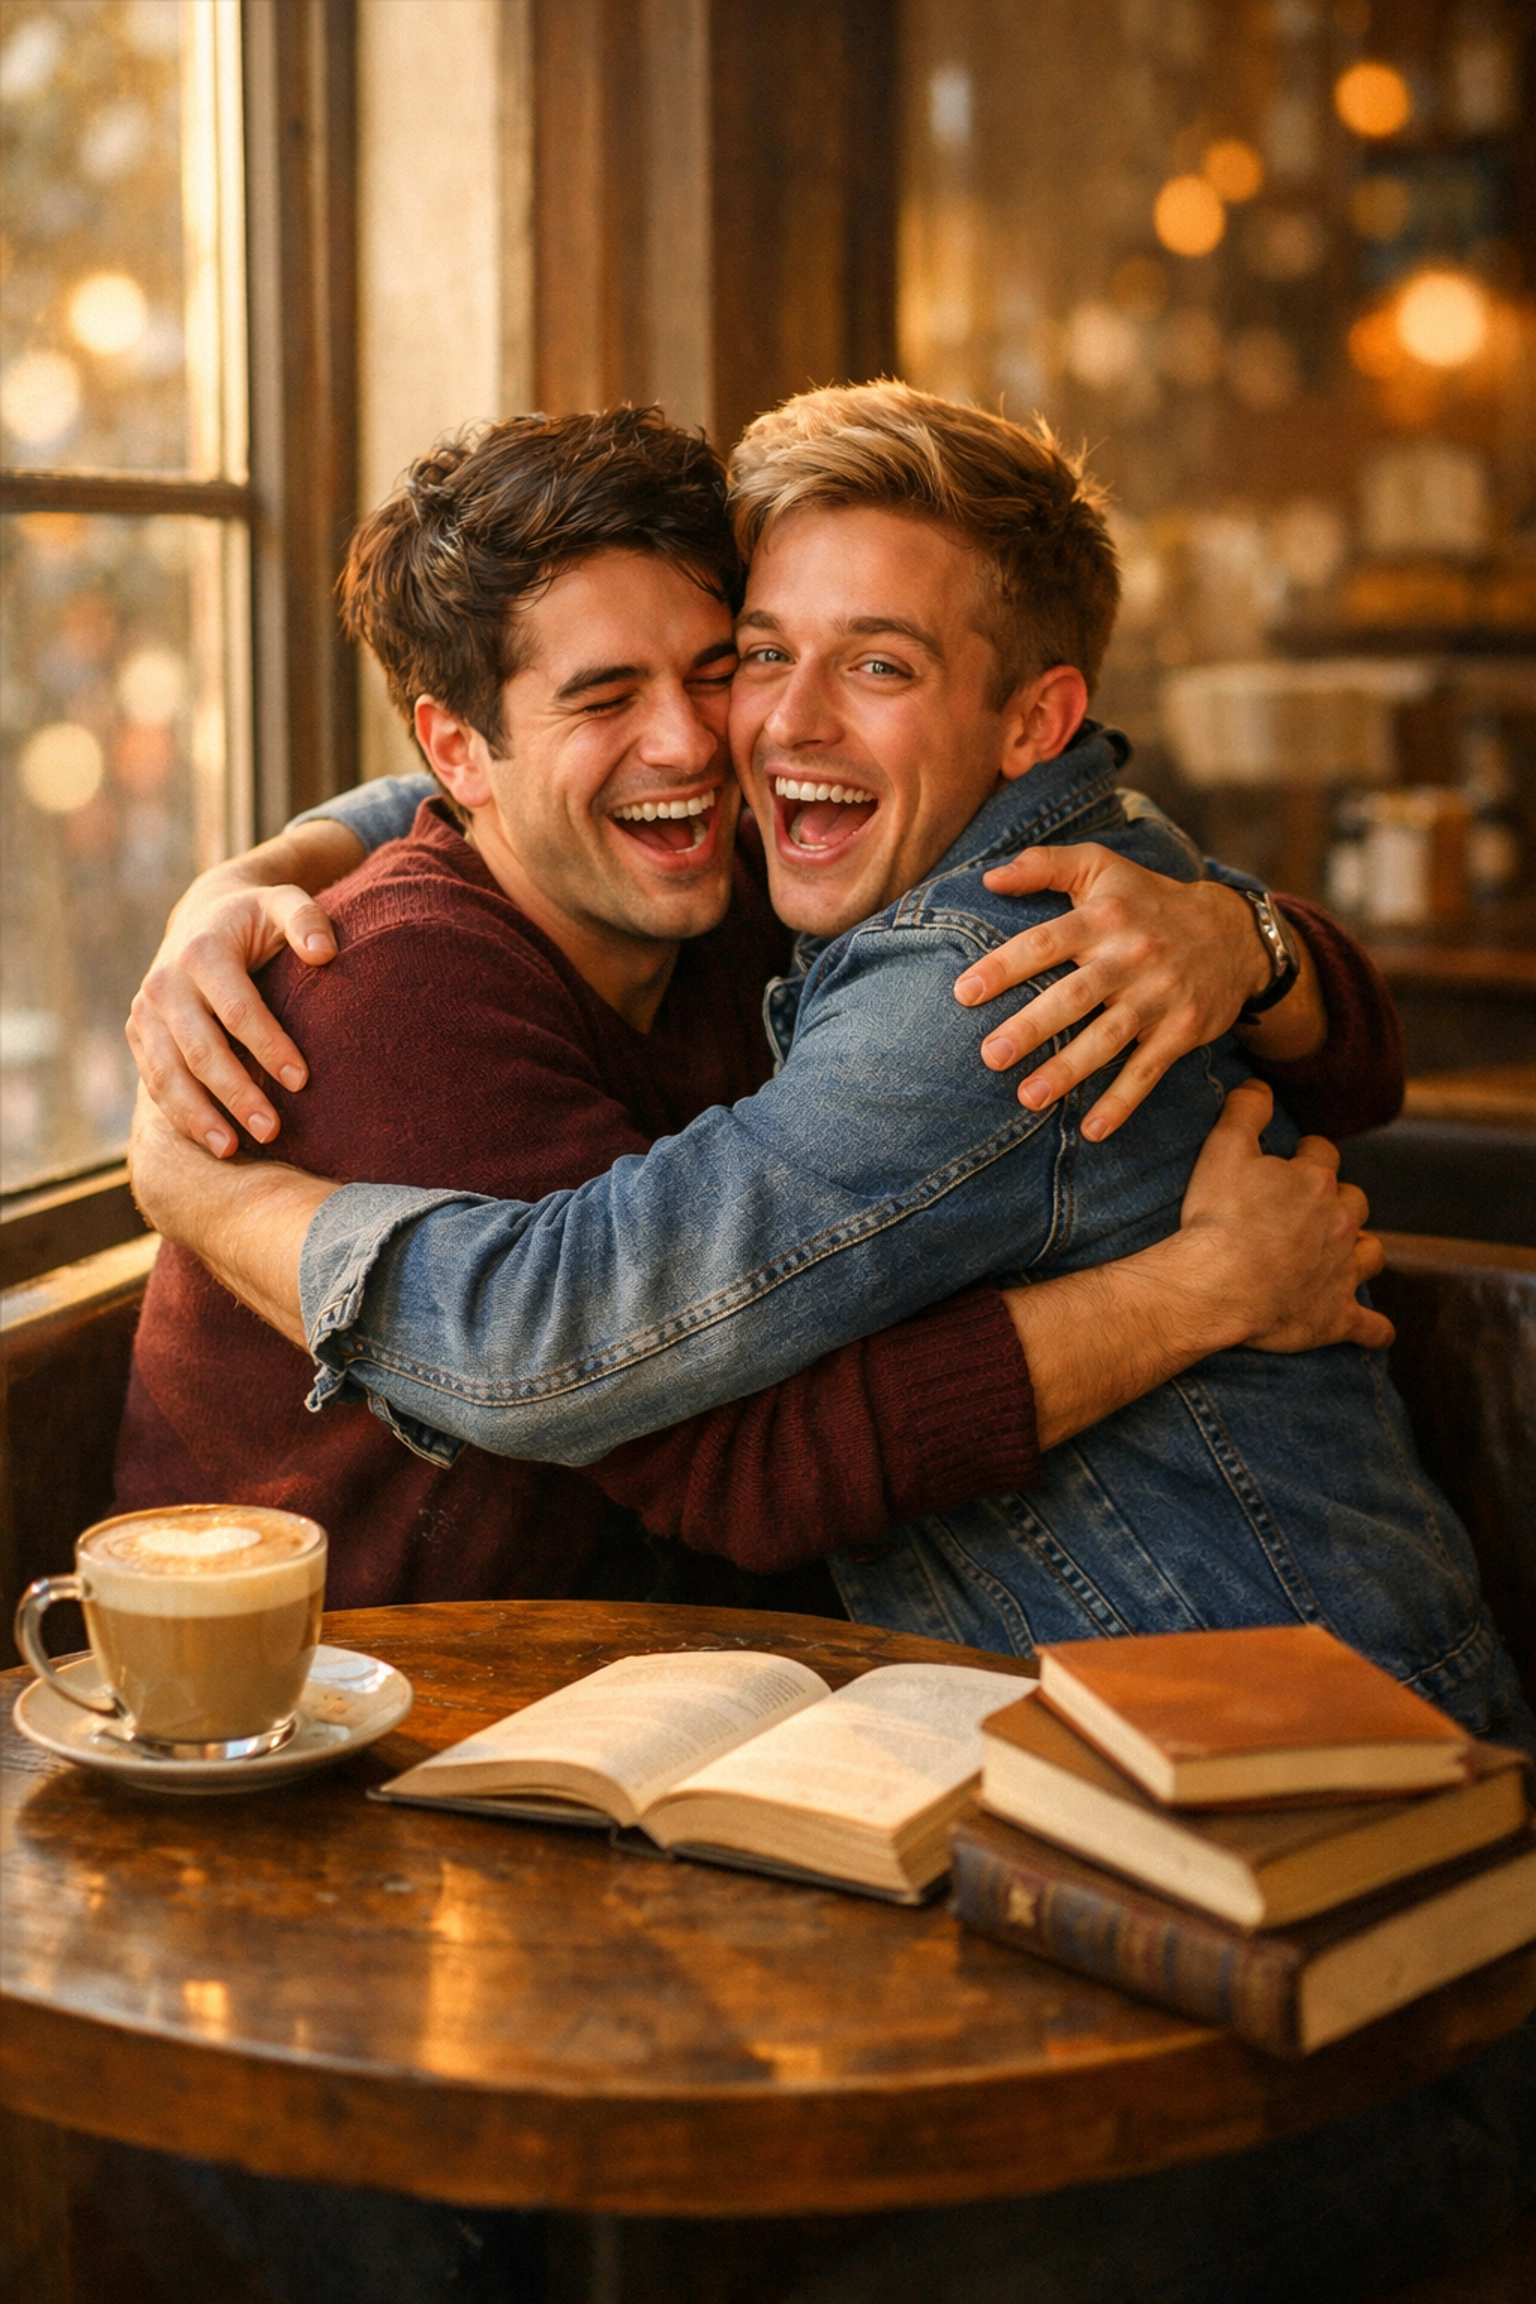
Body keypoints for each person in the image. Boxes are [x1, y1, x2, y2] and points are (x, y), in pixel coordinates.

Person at [126, 388, 1523, 1753]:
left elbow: (578, 1352)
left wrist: (1251, 939)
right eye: (768, 653)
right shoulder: (482, 952)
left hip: (1292, 1731)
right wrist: (256, 885)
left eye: (872, 665)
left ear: (1034, 723)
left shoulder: (992, 952)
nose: (742, 732)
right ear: (458, 747)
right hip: (349, 1726)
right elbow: (691, 1434)